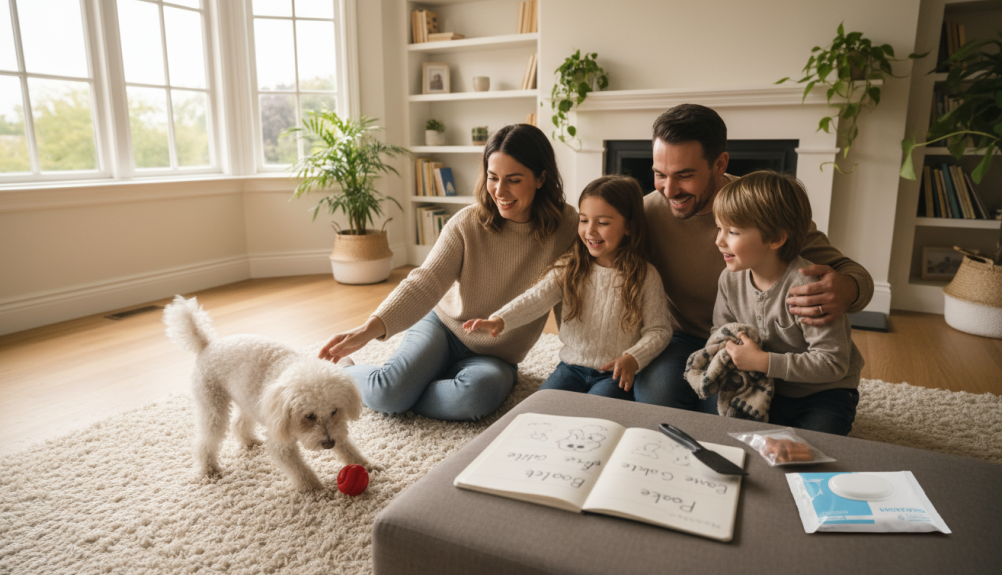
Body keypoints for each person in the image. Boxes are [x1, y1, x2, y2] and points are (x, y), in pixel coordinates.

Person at [317, 124, 578, 421]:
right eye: (493, 178)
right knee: (389, 393)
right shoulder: (467, 223)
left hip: (496, 355)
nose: (500, 191)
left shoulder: (568, 227)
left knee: (474, 397)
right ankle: (349, 373)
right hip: (444, 328)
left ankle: (413, 387)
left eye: (514, 180)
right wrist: (368, 329)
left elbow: (573, 294)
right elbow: (426, 281)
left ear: (541, 178)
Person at [638, 103, 873, 409]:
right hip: (683, 337)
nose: (669, 190)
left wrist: (848, 289)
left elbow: (852, 273)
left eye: (684, 175)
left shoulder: (761, 208)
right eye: (659, 174)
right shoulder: (646, 213)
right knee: (653, 399)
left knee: (732, 411)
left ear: (720, 163)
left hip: (754, 343)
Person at [463, 175, 672, 399]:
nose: (590, 231)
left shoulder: (645, 276)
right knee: (539, 411)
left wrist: (633, 357)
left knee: (591, 419)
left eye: (602, 223)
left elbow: (659, 330)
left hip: (613, 374)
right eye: (583, 220)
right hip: (570, 368)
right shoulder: (570, 267)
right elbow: (536, 298)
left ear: (628, 226)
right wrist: (500, 319)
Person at [704, 171, 863, 434]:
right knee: (720, 429)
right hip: (765, 387)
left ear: (776, 238)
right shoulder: (729, 279)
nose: (719, 240)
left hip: (823, 393)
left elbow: (833, 363)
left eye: (732, 231)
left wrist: (764, 361)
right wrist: (731, 352)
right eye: (719, 228)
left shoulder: (808, 288)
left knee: (813, 450)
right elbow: (720, 331)